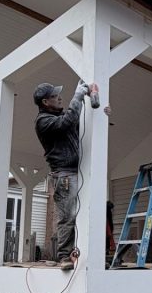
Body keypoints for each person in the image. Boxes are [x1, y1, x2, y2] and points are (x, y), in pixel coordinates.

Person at [34, 80, 105, 271]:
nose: (59, 97)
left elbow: (73, 119)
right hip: (63, 175)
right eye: (54, 96)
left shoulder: (59, 115)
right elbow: (67, 122)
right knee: (67, 217)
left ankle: (90, 254)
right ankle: (64, 256)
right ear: (45, 102)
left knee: (86, 213)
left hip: (78, 173)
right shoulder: (43, 121)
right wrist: (79, 94)